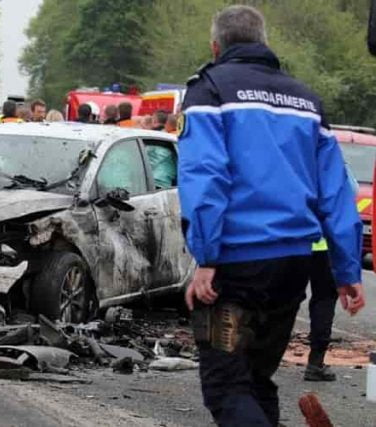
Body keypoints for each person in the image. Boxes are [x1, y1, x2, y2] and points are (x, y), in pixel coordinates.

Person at [179, 5, 363, 426]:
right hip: (292, 266)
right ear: (264, 44)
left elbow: (206, 177)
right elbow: (335, 191)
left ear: (216, 46)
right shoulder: (306, 100)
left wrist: (206, 258)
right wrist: (347, 270)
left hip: (236, 266)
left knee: (227, 384)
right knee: (257, 377)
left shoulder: (210, 91)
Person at [304, 165, 359, 382]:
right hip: (324, 245)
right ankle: (315, 363)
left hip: (293, 243)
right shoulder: (335, 165)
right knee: (324, 301)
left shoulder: (290, 159)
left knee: (283, 300)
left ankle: (263, 357)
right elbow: (351, 190)